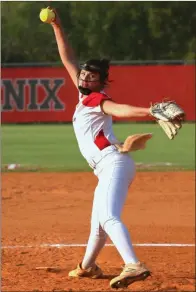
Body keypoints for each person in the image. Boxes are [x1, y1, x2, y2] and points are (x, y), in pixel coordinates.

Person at [50, 8, 152, 289]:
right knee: (98, 223)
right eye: (83, 75)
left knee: (108, 217)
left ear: (100, 82)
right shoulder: (85, 96)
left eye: (90, 78)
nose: (83, 79)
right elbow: (68, 58)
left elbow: (118, 108)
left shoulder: (97, 99)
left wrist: (148, 111)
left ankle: (133, 264)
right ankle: (87, 267)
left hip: (112, 163)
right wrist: (57, 26)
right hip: (110, 164)